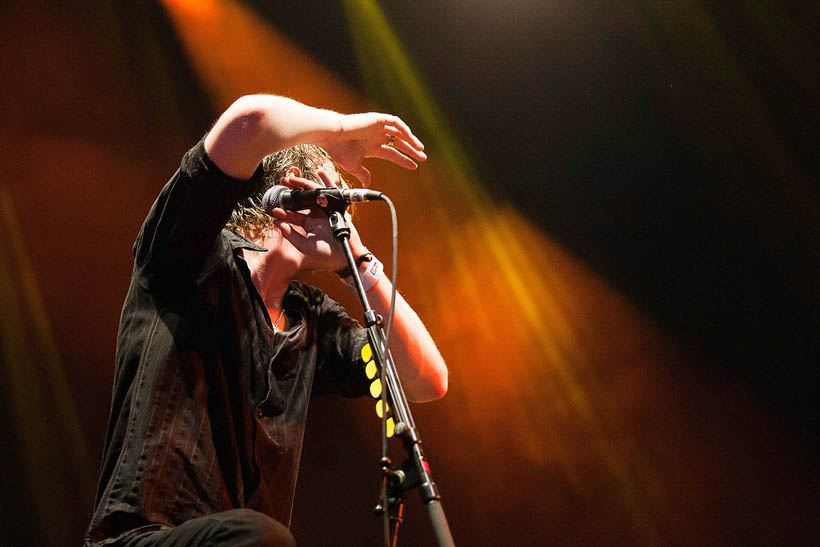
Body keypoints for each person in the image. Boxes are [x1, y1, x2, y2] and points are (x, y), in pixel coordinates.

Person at [84, 95, 448, 546]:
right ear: (287, 189)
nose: (339, 219)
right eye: (328, 200)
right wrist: (338, 129)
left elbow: (427, 379)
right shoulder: (191, 256)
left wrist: (358, 260)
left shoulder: (312, 321)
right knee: (261, 537)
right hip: (141, 538)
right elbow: (250, 121)